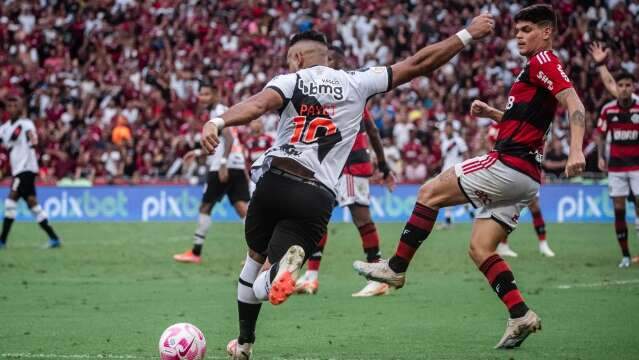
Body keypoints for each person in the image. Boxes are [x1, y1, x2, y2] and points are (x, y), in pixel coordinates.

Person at [199, 16, 495, 358]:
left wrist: (218, 121)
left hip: (275, 180)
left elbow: (257, 105)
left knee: (252, 262)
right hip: (316, 194)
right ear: (326, 56)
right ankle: (281, 273)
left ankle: (245, 343)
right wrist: (467, 34)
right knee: (270, 274)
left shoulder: (290, 80)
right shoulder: (358, 82)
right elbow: (418, 64)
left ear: (296, 58)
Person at [354, 4, 586, 349]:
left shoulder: (543, 62)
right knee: (481, 249)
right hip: (526, 177)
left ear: (546, 32)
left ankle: (396, 268)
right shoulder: (536, 70)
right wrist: (494, 113)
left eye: (527, 30)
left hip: (508, 165)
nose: (518, 36)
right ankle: (520, 314)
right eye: (517, 30)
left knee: (429, 192)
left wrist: (576, 150)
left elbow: (575, 103)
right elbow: (526, 123)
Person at [294, 45, 396, 298]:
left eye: (326, 60)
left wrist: (383, 165)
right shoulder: (328, 92)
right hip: (332, 166)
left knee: (361, 218)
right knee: (318, 218)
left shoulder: (348, 90)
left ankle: (379, 275)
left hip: (351, 163)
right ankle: (311, 277)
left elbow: (371, 130)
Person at [173, 82, 249, 264]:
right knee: (242, 209)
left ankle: (195, 253)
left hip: (224, 165)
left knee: (205, 207)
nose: (202, 98)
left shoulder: (218, 111)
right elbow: (223, 142)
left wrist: (222, 163)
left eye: (206, 94)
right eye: (201, 94)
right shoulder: (222, 110)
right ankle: (258, 251)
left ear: (216, 94)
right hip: (235, 163)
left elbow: (229, 138)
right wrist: (198, 152)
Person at [590, 43, 639, 267]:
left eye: (629, 85)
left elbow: (610, 82)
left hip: (637, 167)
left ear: (634, 87)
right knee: (619, 210)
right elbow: (599, 135)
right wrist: (600, 156)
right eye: (622, 85)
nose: (625, 89)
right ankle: (626, 256)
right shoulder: (609, 110)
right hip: (617, 167)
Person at [0, 93, 61, 249]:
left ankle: (2, 241)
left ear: (20, 108)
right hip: (17, 170)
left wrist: (33, 144)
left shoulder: (26, 124)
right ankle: (54, 238)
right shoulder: (5, 128)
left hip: (26, 168)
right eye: (9, 106)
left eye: (15, 105)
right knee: (32, 203)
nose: (12, 108)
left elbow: (33, 139)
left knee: (10, 200)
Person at [486, 125, 556, 258]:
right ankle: (502, 245)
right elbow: (491, 144)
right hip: (505, 170)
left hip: (528, 168)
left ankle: (543, 244)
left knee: (534, 206)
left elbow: (543, 141)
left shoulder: (527, 121)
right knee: (504, 208)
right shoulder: (495, 126)